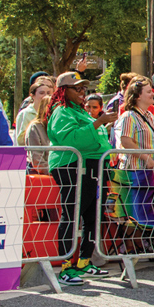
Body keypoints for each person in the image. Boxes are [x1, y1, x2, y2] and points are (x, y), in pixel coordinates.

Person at [45, 72, 116, 286]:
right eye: (76, 88)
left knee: (92, 214)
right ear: (63, 90)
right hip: (72, 166)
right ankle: (67, 266)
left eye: (83, 88)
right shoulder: (62, 111)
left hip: (93, 166)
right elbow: (71, 139)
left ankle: (85, 260)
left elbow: (96, 138)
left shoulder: (81, 112)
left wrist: (100, 126)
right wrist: (98, 123)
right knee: (72, 214)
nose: (82, 92)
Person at [115, 78, 154, 171]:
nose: (153, 94)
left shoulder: (150, 116)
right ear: (138, 96)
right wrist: (146, 158)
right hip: (135, 171)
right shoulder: (129, 116)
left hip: (150, 170)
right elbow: (126, 141)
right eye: (149, 92)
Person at [15, 75, 54, 145]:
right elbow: (20, 140)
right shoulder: (25, 113)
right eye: (41, 93)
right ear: (32, 95)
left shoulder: (54, 112)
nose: (46, 95)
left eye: (48, 93)